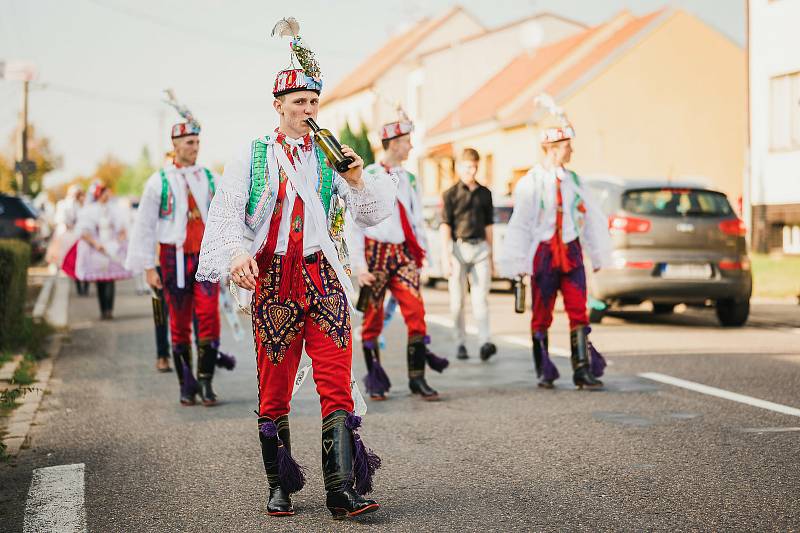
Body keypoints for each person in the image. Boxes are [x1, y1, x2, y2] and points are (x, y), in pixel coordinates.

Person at [195, 18, 396, 519]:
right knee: (275, 386)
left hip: (323, 276)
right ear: (279, 106)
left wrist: (357, 179)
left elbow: (371, 215)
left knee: (336, 377)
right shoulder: (254, 153)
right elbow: (228, 213)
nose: (307, 111)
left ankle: (341, 489)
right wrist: (239, 253)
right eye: (298, 103)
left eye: (313, 102)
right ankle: (279, 482)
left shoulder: (333, 154)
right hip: (274, 278)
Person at [499, 94, 612, 389]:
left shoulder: (574, 180)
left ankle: (582, 369)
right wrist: (518, 262)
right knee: (542, 311)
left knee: (578, 308)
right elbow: (522, 225)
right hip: (545, 252)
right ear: (551, 149)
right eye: (566, 146)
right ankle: (544, 368)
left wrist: (597, 254)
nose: (571, 150)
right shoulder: (532, 183)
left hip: (571, 251)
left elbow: (587, 218)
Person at [125, 91, 223, 406]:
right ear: (176, 146)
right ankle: (186, 384)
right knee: (179, 321)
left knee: (209, 317)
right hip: (173, 257)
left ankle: (206, 381)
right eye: (189, 143)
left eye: (197, 143)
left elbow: (226, 213)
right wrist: (148, 267)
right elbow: (144, 226)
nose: (195, 148)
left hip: (205, 257)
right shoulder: (159, 181)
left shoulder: (209, 177)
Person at [347, 107, 448, 402]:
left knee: (416, 313)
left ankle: (418, 379)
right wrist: (359, 265)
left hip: (402, 252)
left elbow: (416, 219)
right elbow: (354, 223)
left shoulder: (411, 179)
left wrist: (421, 255)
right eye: (406, 140)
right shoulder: (369, 176)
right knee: (373, 318)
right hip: (375, 254)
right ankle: (376, 379)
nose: (411, 146)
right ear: (393, 143)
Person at [440, 148, 497, 361]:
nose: (471, 171)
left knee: (480, 298)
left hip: (481, 248)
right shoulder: (450, 194)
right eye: (467, 166)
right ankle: (460, 342)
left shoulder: (485, 193)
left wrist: (492, 257)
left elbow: (489, 226)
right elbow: (445, 226)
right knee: (458, 300)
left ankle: (484, 342)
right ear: (459, 167)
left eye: (474, 167)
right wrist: (446, 258)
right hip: (458, 249)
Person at [64, 182, 132, 318]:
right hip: (97, 248)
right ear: (99, 194)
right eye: (105, 192)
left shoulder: (115, 209)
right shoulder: (90, 210)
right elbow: (83, 231)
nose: (108, 194)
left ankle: (109, 310)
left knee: (110, 280)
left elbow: (122, 228)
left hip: (112, 247)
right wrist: (95, 244)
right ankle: (103, 310)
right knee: (101, 280)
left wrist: (117, 242)